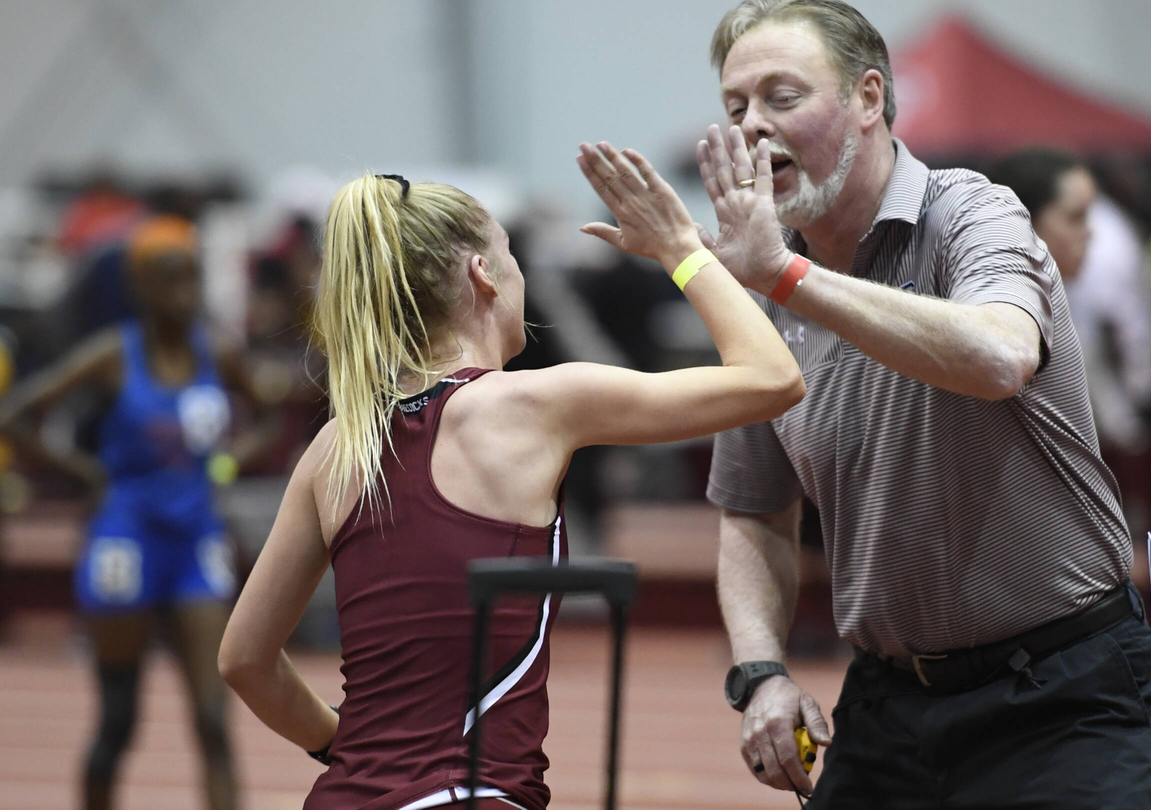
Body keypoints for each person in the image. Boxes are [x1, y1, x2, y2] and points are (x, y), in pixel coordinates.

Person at [216, 150, 804, 810]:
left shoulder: (336, 448)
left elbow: (244, 660)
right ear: (483, 274)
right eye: (510, 253)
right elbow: (773, 378)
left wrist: (346, 748)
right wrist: (682, 249)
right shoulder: (528, 406)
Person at [698, 0, 1151, 808]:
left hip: (1061, 695)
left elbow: (998, 355)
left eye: (782, 97)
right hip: (890, 705)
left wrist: (785, 277)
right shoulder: (764, 286)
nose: (751, 126)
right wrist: (761, 675)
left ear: (869, 98)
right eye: (735, 106)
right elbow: (751, 512)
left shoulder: (970, 215)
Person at [0, 215, 273, 810]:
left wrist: (230, 461)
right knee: (119, 719)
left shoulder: (218, 354)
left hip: (196, 538)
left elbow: (269, 414)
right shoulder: (113, 356)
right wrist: (85, 472)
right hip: (126, 538)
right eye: (169, 282)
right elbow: (16, 413)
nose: (184, 295)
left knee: (212, 718)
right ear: (143, 288)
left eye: (192, 280)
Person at [988, 148, 1151, 448]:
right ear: (1023, 222)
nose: (1090, 233)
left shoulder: (1070, 301)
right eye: (1076, 217)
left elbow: (1119, 427)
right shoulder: (1004, 319)